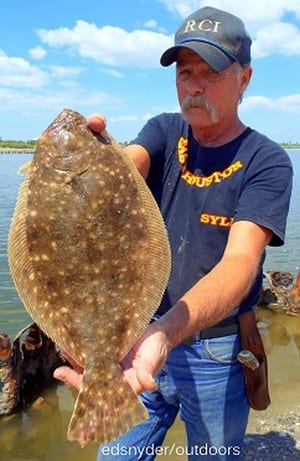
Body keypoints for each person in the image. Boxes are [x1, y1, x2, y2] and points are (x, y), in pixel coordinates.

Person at [54, 5, 293, 460]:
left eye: (212, 72)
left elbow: (241, 263)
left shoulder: (268, 161)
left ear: (244, 78)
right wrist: (92, 164)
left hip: (215, 351)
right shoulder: (164, 130)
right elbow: (125, 169)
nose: (194, 85)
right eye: (185, 72)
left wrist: (167, 332)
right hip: (133, 343)